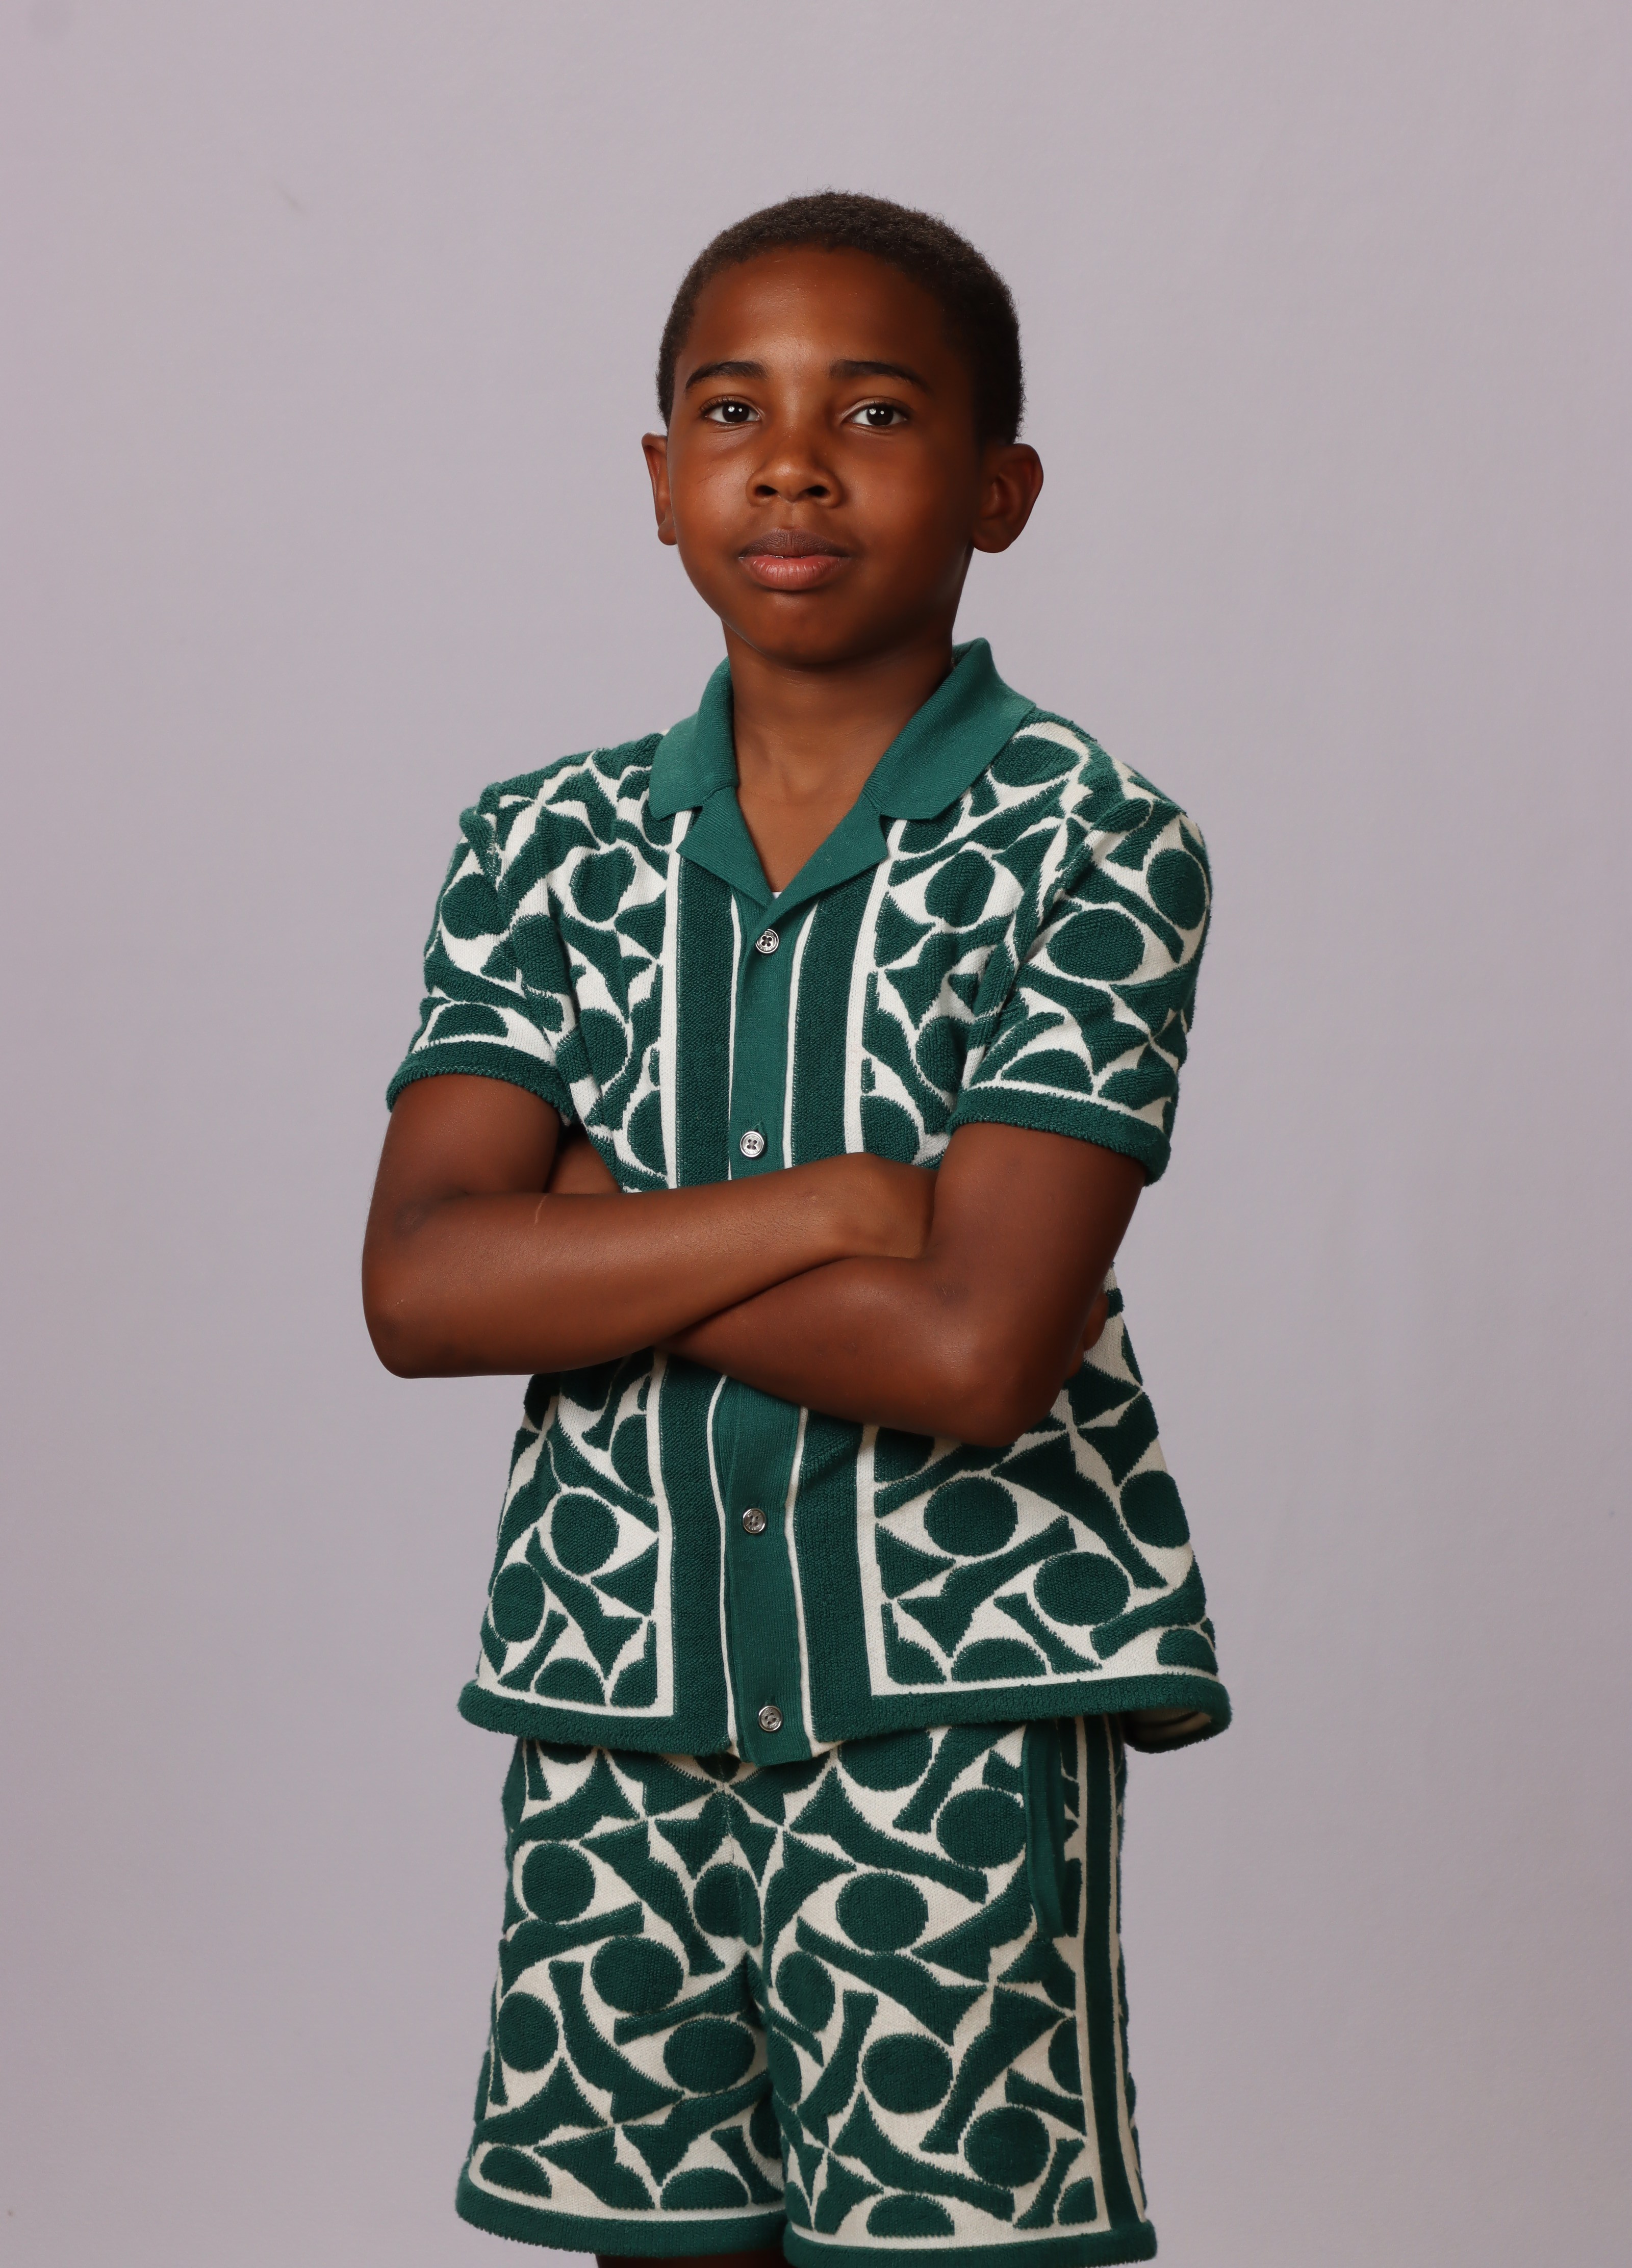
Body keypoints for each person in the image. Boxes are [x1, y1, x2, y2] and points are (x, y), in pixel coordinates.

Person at [363, 191, 1227, 2268]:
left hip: (950, 1700)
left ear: (999, 490)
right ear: (660, 474)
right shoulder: (543, 845)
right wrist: (832, 1209)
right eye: (731, 408)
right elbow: (421, 1285)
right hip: (614, 1686)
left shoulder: (1092, 843)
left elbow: (973, 1354)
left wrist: (592, 1234)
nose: (794, 464)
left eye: (878, 411)